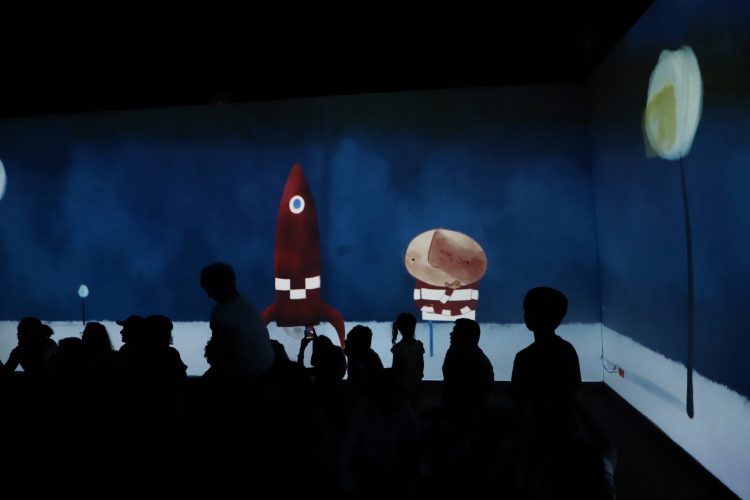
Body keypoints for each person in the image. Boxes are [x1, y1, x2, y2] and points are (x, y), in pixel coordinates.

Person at [510, 286, 581, 435]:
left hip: (536, 433)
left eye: (530, 311)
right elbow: (574, 391)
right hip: (565, 429)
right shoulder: (568, 350)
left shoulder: (524, 357)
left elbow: (520, 403)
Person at [200, 262, 274, 380]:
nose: (209, 295)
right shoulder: (247, 303)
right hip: (267, 371)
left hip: (244, 377)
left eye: (209, 289)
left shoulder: (220, 314)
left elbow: (222, 355)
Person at [390, 312, 425, 410]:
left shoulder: (398, 348)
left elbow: (395, 368)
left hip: (407, 386)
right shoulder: (417, 346)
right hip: (408, 386)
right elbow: (421, 365)